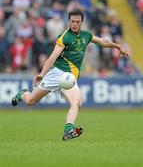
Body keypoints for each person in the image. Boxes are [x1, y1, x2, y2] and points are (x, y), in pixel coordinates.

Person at [11, 9, 129, 141]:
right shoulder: (65, 37)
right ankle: (22, 94)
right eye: (72, 21)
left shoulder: (86, 35)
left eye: (77, 22)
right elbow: (53, 56)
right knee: (31, 101)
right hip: (56, 74)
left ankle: (68, 129)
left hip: (69, 78)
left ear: (82, 22)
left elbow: (102, 41)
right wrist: (42, 74)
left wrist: (118, 46)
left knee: (77, 102)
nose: (74, 24)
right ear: (69, 21)